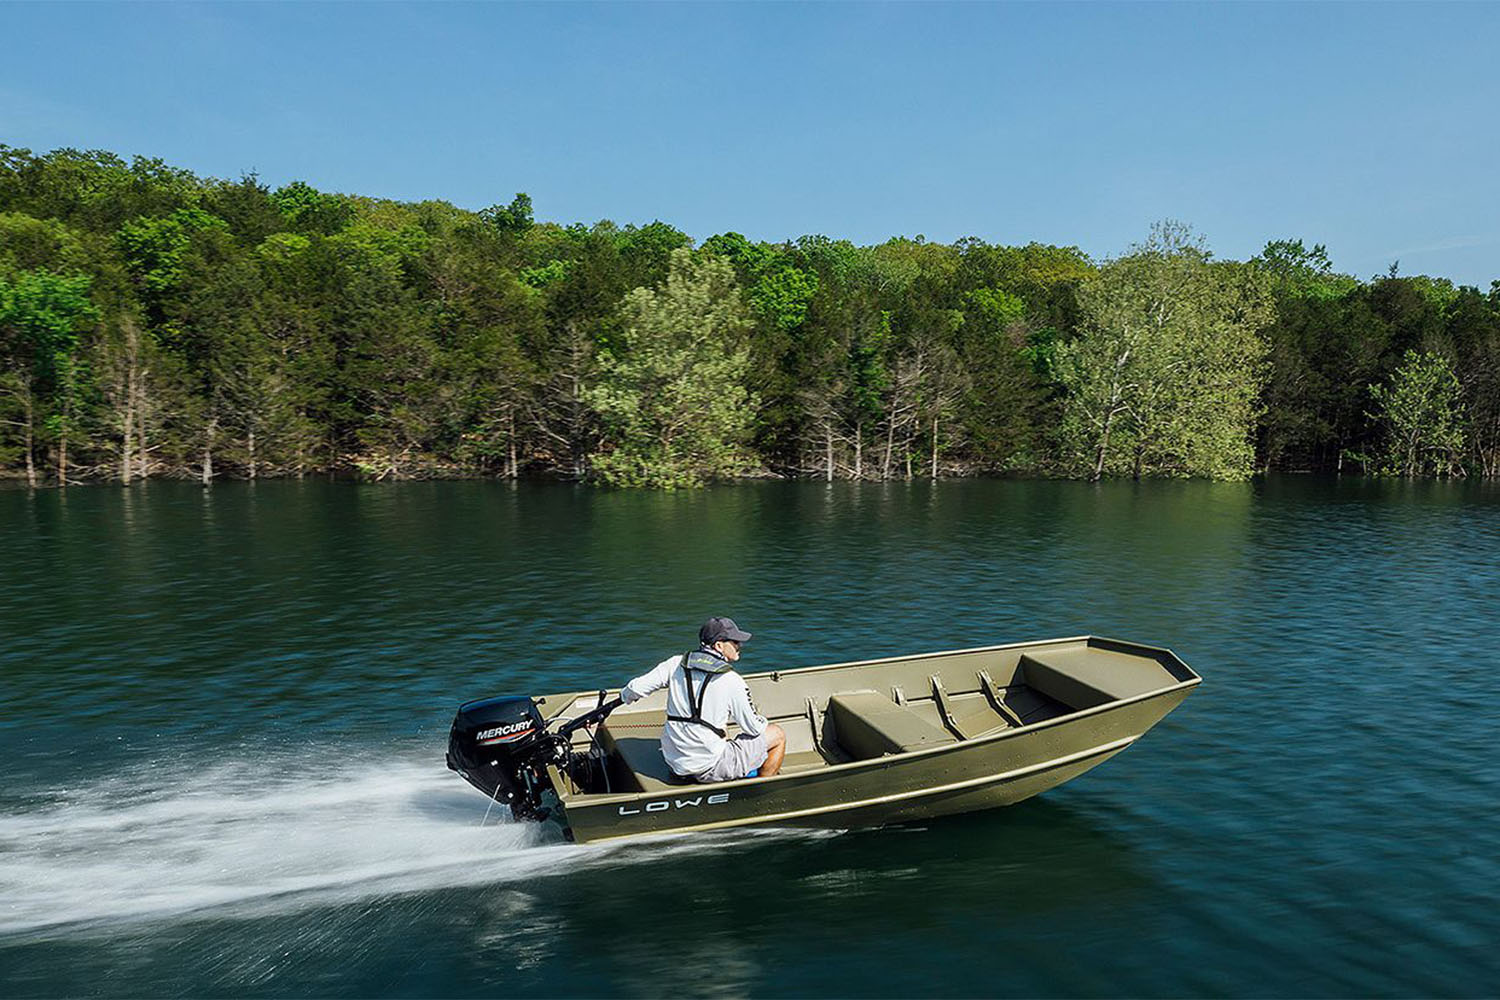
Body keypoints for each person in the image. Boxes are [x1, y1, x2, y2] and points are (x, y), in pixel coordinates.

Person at [619, 616, 787, 782]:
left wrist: (612, 704)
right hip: (709, 768)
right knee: (777, 735)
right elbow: (753, 728)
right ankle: (762, 791)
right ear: (719, 646)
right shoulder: (732, 680)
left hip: (674, 764)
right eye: (735, 642)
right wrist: (763, 722)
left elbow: (635, 688)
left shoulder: (675, 663)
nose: (739, 646)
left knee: (719, 730)